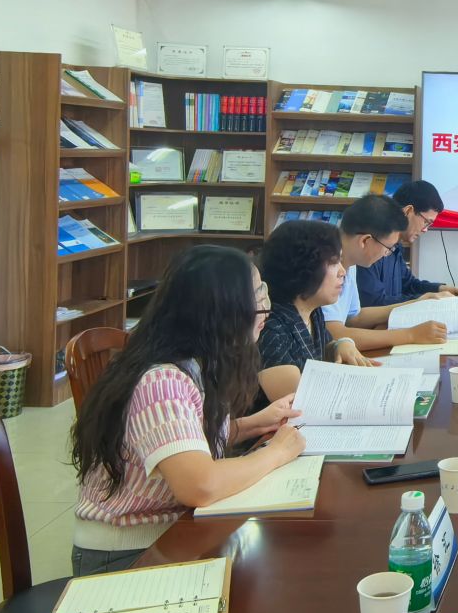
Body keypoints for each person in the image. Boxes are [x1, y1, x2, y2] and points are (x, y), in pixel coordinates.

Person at [70, 245, 306, 575]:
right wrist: (277, 452)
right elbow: (200, 485)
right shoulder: (161, 382)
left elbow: (188, 440)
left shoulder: (196, 361)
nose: (265, 307)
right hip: (128, 553)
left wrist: (255, 424)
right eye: (255, 296)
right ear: (218, 310)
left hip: (172, 530)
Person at [320, 194, 452, 356]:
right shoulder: (325, 266)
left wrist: (416, 304)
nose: (386, 254)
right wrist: (410, 335)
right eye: (388, 248)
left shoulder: (350, 263)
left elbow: (354, 317)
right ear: (365, 241)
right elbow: (334, 333)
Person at [256, 218, 357, 399]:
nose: (343, 272)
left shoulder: (312, 310)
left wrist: (341, 344)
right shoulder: (271, 328)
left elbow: (325, 347)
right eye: (334, 262)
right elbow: (301, 402)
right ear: (305, 267)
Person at [355, 179, 458, 306]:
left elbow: (409, 285)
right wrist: (422, 301)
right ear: (408, 211)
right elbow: (373, 303)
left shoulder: (395, 246)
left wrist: (442, 289)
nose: (425, 230)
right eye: (426, 222)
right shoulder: (372, 244)